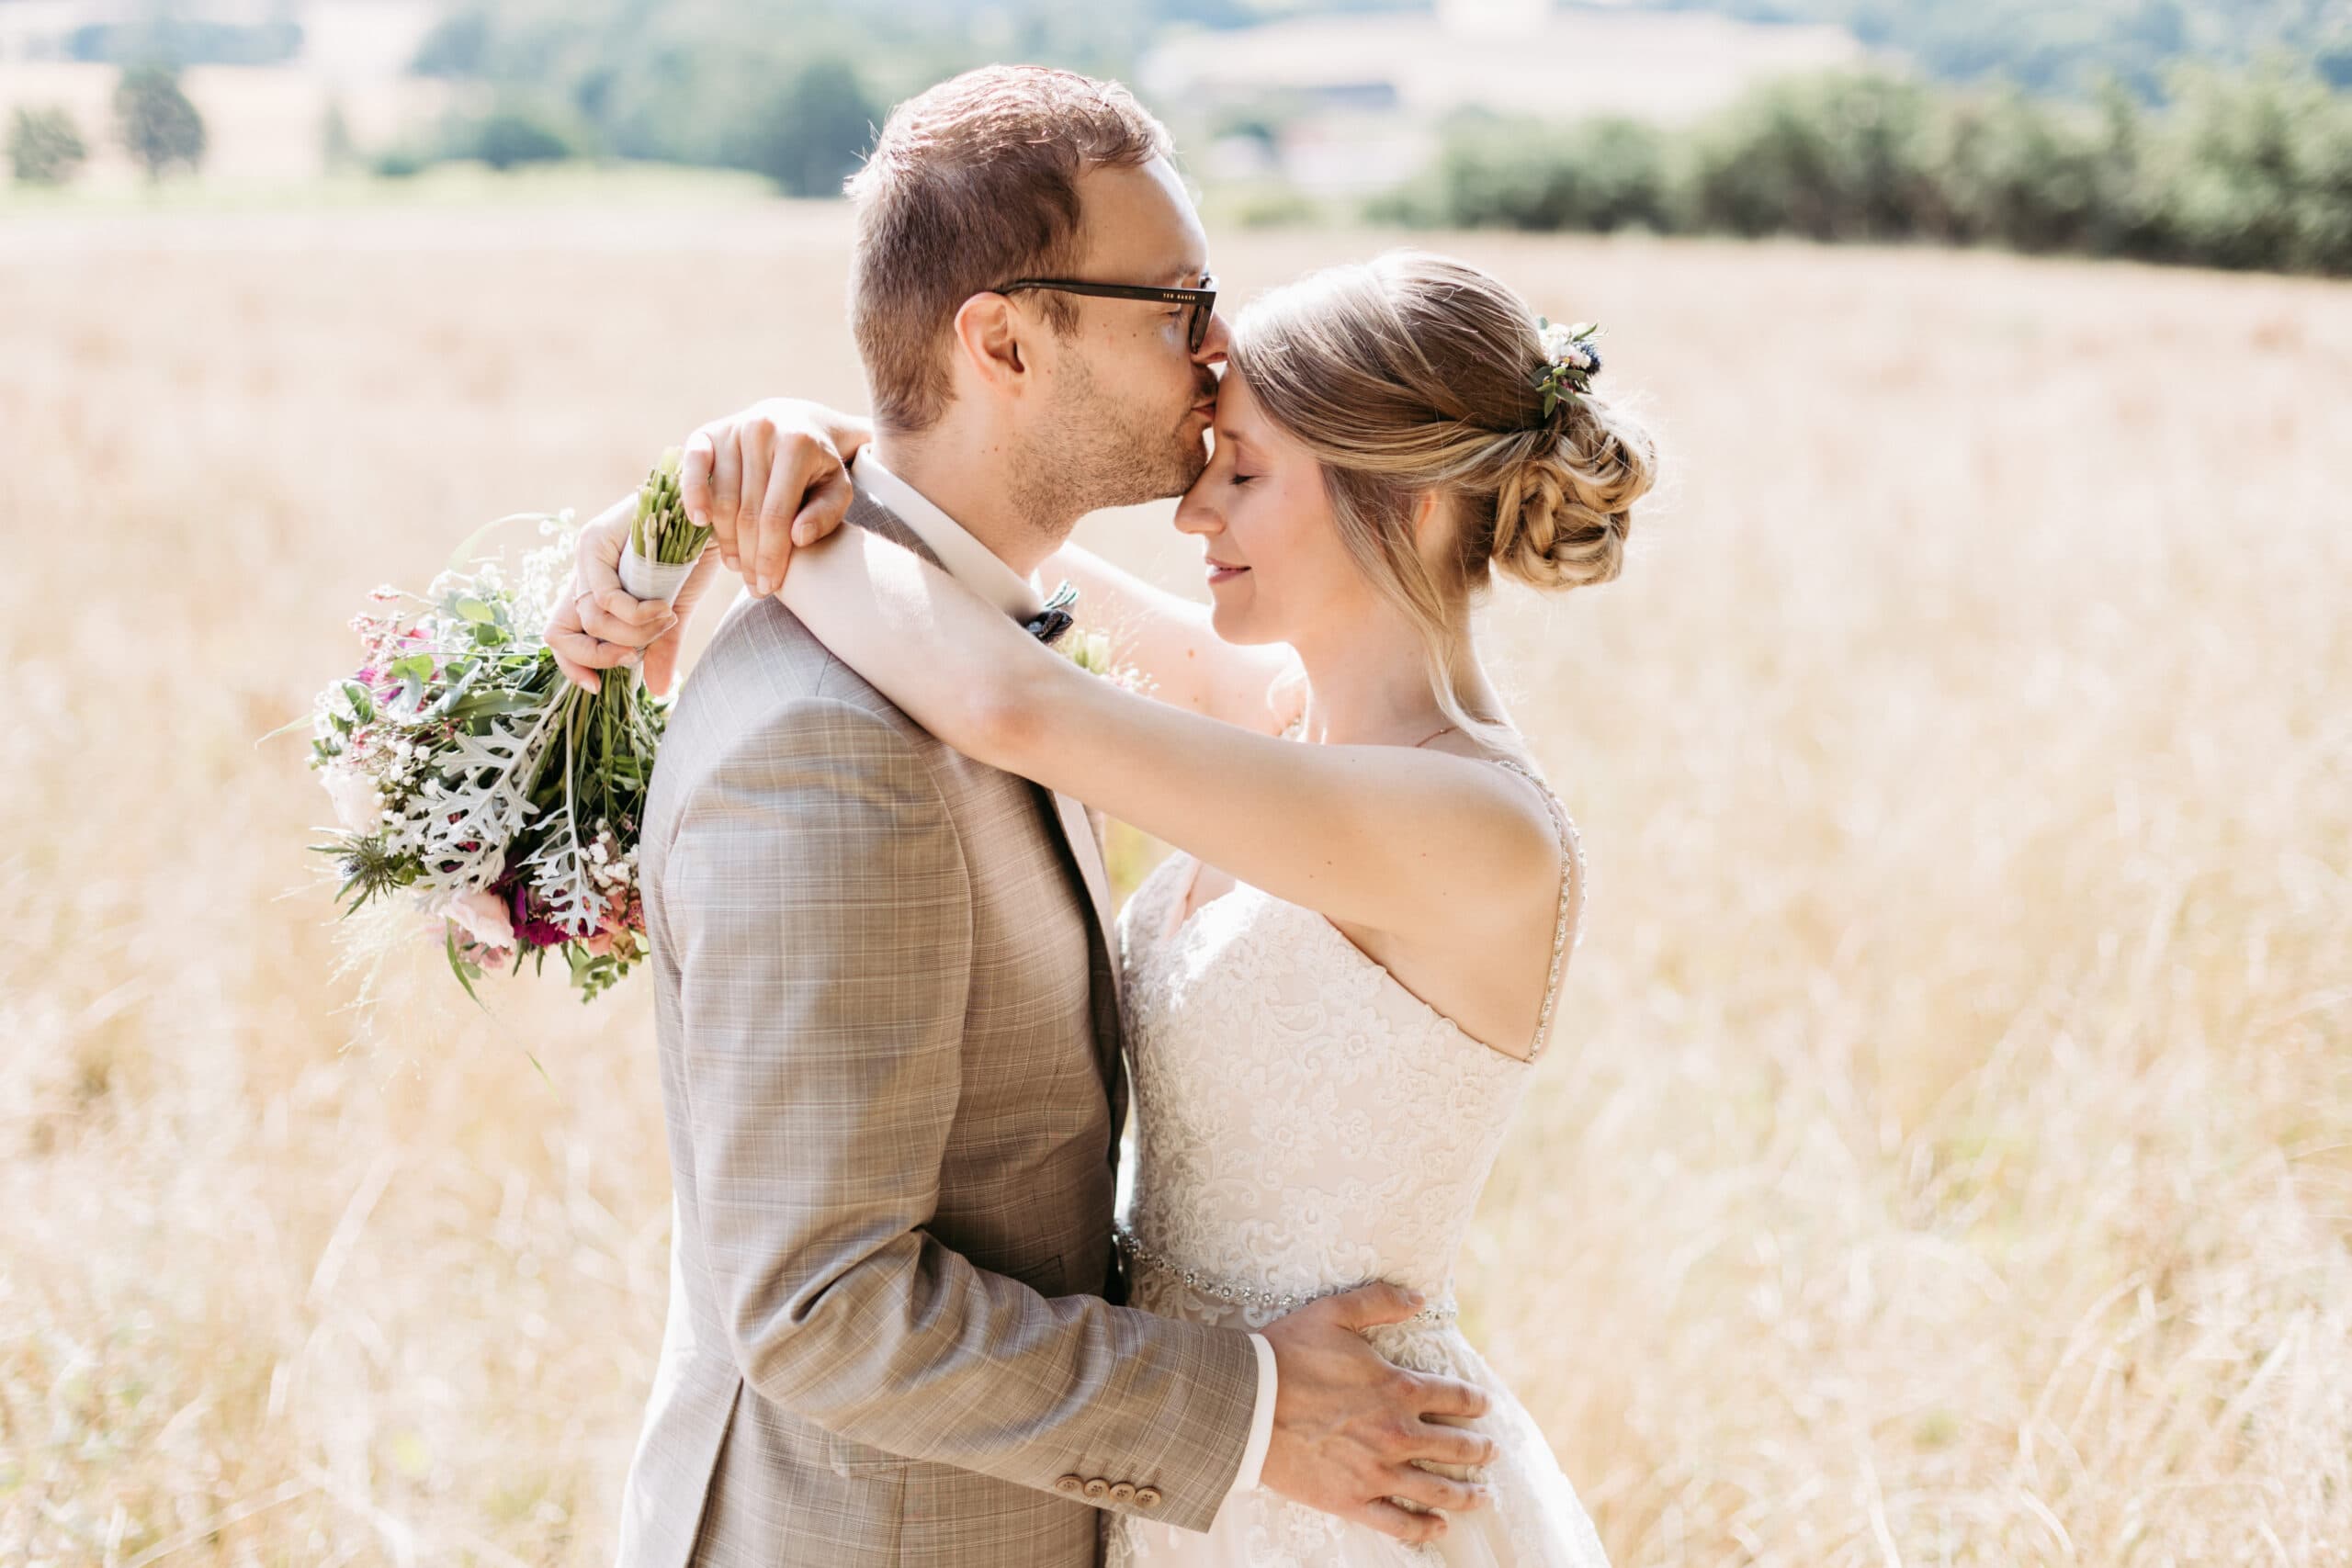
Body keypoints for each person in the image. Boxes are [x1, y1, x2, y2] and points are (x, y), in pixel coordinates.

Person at [570, 238, 1655, 1562]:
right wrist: (785, 446)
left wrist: (762, 526)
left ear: (1413, 502)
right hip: (1188, 1461)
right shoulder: (1282, 714)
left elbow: (1006, 693)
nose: (1196, 516)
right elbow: (976, 579)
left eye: (1244, 474)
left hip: (1351, 1476)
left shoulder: (1474, 830)